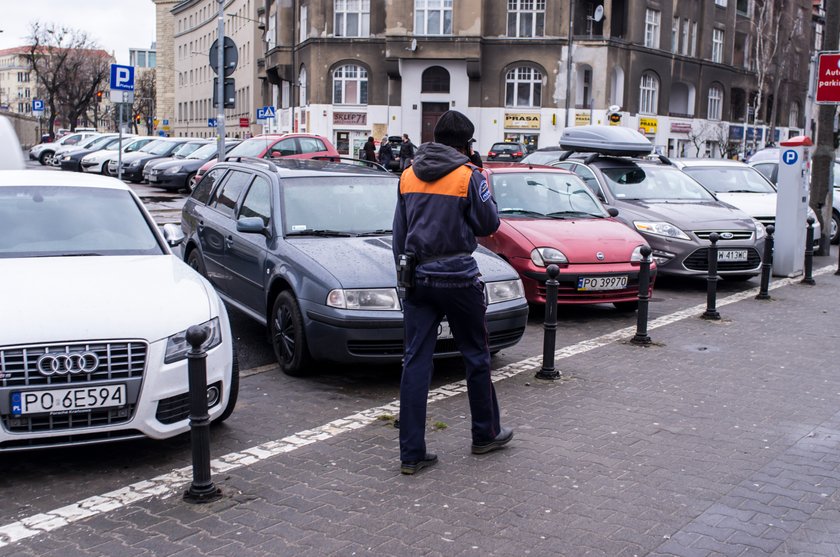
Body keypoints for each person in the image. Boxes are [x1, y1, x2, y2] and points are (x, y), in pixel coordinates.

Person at [392, 110, 513, 475]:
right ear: (466, 143)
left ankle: (411, 453)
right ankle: (484, 434)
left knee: (415, 361)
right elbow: (488, 223)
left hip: (419, 278)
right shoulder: (468, 176)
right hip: (459, 277)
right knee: (476, 356)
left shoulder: (408, 174)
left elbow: (399, 234)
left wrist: (406, 276)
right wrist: (480, 179)